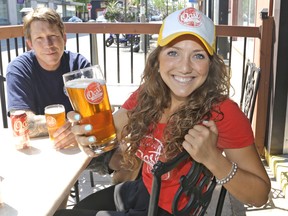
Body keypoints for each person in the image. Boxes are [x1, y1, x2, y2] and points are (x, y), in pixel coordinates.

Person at [54, 7, 271, 216]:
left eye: (198, 56)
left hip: (170, 210)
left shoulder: (223, 112)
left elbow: (260, 194)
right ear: (157, 60)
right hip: (143, 191)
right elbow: (112, 129)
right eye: (173, 52)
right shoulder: (148, 94)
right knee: (69, 210)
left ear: (211, 65)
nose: (185, 67)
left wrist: (214, 159)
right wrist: (85, 131)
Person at [6, 7, 91, 149]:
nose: (48, 44)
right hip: (40, 148)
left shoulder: (78, 64)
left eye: (53, 36)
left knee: (124, 160)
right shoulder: (18, 69)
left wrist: (78, 130)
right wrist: (73, 126)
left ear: (64, 38)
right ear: (30, 44)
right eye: (39, 38)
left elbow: (95, 112)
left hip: (81, 142)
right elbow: (22, 123)